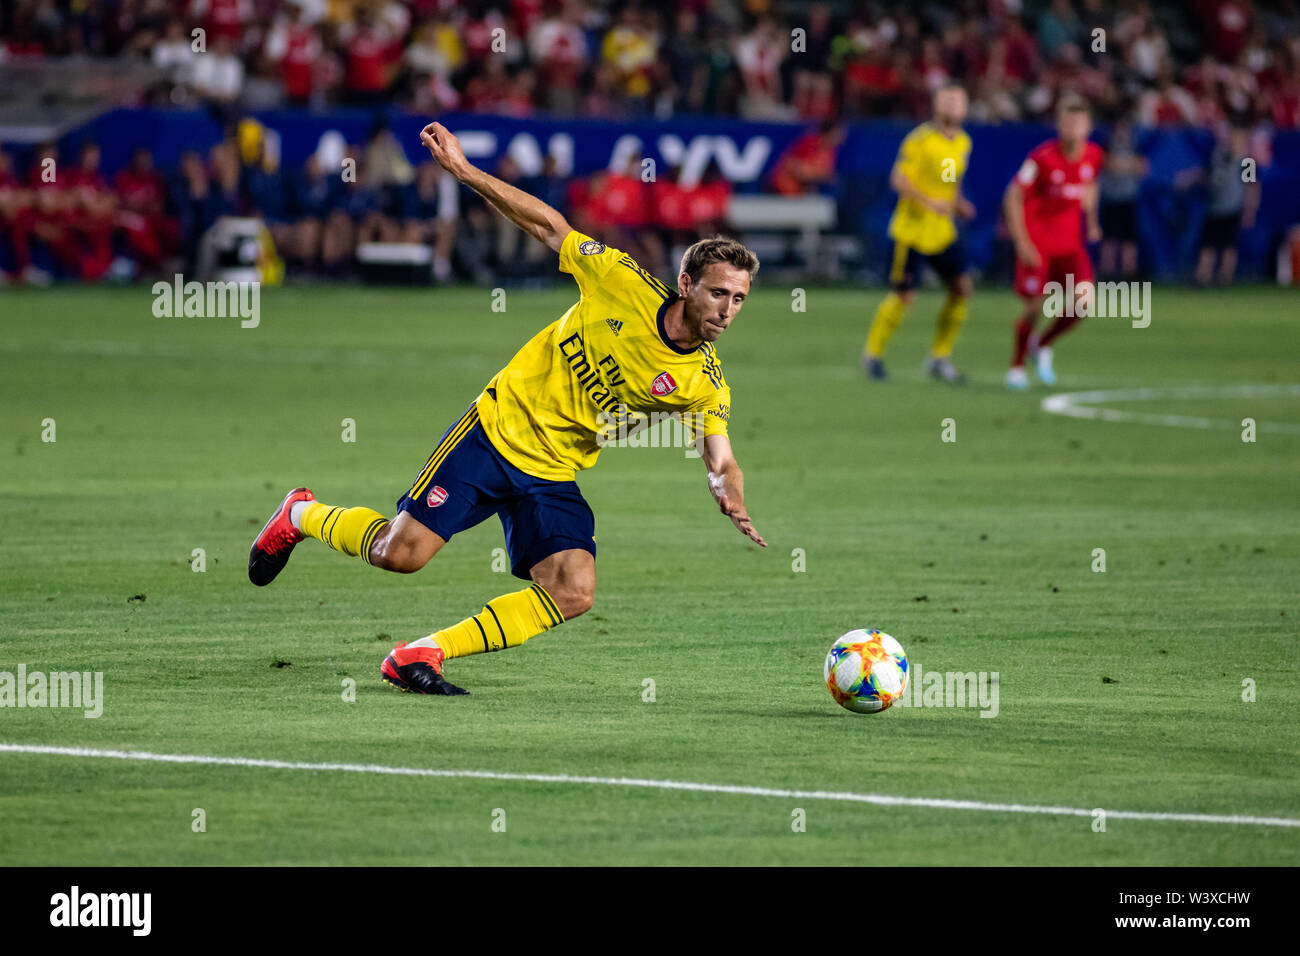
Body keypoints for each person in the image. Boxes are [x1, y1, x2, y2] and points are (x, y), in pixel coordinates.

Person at [248, 121, 766, 696]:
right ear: (686, 284)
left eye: (739, 298)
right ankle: (300, 515)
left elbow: (719, 456)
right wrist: (466, 173)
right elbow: (550, 226)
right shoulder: (621, 282)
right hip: (494, 433)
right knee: (400, 555)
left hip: (552, 471)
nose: (727, 309)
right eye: (718, 292)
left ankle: (419, 654)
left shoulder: (705, 382)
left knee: (574, 589)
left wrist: (730, 491)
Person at [862, 84, 975, 384]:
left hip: (942, 231)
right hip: (911, 231)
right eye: (948, 99)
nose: (953, 104)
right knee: (904, 297)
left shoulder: (963, 142)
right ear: (936, 105)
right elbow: (899, 180)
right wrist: (929, 202)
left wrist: (959, 204)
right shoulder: (920, 140)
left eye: (958, 99)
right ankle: (872, 354)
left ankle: (940, 357)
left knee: (962, 288)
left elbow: (951, 182)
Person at [1003, 95, 1104, 389]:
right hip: (1039, 244)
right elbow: (1013, 196)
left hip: (1070, 245)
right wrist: (1022, 243)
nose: (1073, 127)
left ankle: (1043, 343)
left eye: (1079, 121)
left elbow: (1091, 185)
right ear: (1059, 124)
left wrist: (1093, 221)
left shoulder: (1094, 156)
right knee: (1035, 307)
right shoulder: (1042, 159)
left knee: (1085, 302)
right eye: (1068, 121)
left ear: (1089, 126)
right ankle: (1017, 365)